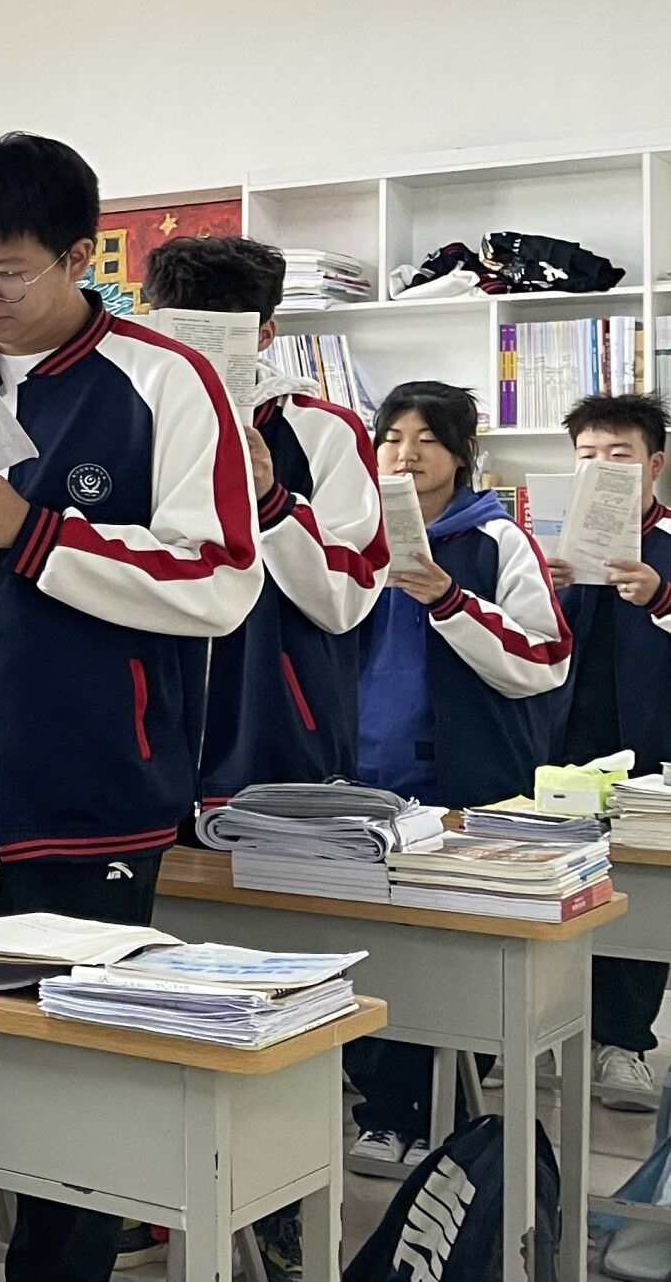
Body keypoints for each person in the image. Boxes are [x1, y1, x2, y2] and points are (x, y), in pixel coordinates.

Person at [0, 133, 260, 1282]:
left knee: (76, 1096)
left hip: (85, 791)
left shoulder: (164, 382)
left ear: (79, 257)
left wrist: (35, 532)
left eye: (7, 274)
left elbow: (221, 579)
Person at [342, 380, 570, 1174]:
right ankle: (381, 1104)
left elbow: (544, 660)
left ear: (464, 451)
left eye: (427, 440)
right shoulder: (351, 534)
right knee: (363, 946)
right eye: (391, 438)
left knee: (437, 953)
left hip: (458, 780)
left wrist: (448, 599)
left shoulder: (495, 539)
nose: (406, 455)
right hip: (358, 778)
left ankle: (428, 1113)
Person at [141, 235, 386, 801]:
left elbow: (349, 597)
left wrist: (272, 501)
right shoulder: (130, 421)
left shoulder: (324, 431)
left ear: (264, 334)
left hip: (280, 734)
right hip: (147, 726)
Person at [546, 391, 671, 1107]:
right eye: (587, 455)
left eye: (619, 456)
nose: (601, 467)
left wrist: (660, 596)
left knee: (637, 894)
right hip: (560, 741)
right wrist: (551, 588)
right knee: (553, 885)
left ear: (654, 465)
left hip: (648, 744)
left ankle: (623, 1042)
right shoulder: (547, 541)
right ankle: (544, 1027)